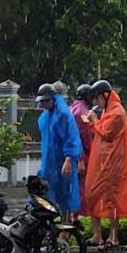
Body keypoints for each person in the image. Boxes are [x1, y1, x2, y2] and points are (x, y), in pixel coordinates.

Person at [83, 79, 127, 250]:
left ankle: (113, 237)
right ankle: (97, 235)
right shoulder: (108, 110)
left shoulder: (118, 113)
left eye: (97, 98)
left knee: (113, 199)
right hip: (100, 163)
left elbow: (107, 132)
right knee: (92, 194)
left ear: (105, 96)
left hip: (113, 165)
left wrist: (94, 120)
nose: (95, 102)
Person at [34, 83, 83, 217]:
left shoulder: (63, 115)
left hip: (63, 161)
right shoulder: (44, 117)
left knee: (64, 193)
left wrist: (68, 159)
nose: (44, 104)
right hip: (49, 162)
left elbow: (72, 138)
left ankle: (65, 226)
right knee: (47, 192)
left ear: (54, 98)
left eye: (46, 101)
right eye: (42, 101)